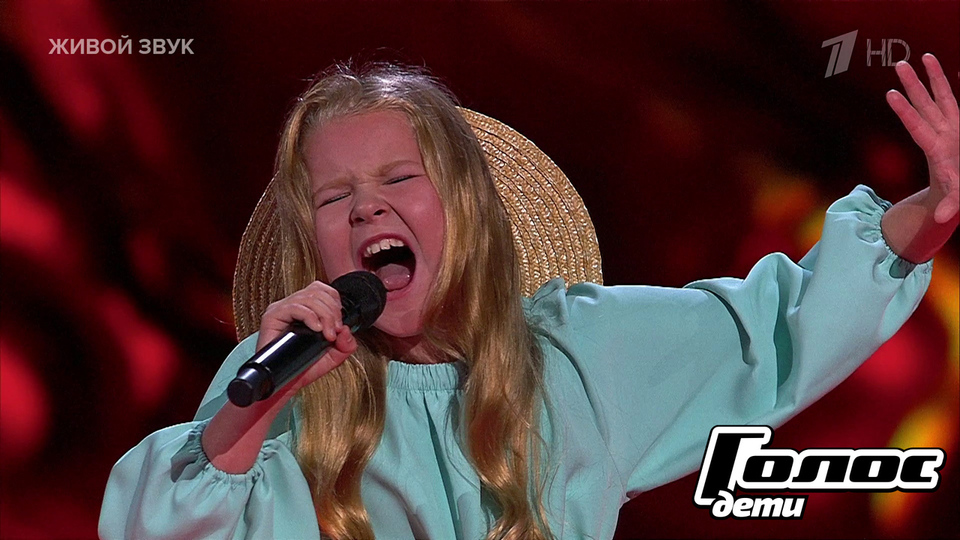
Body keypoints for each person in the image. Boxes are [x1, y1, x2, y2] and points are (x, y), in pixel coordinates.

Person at [99, 56, 958, 539]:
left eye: (399, 178)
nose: (366, 208)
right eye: (334, 197)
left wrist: (929, 214)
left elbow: (773, 328)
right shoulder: (267, 388)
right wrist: (253, 411)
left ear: (464, 207)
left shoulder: (582, 358)